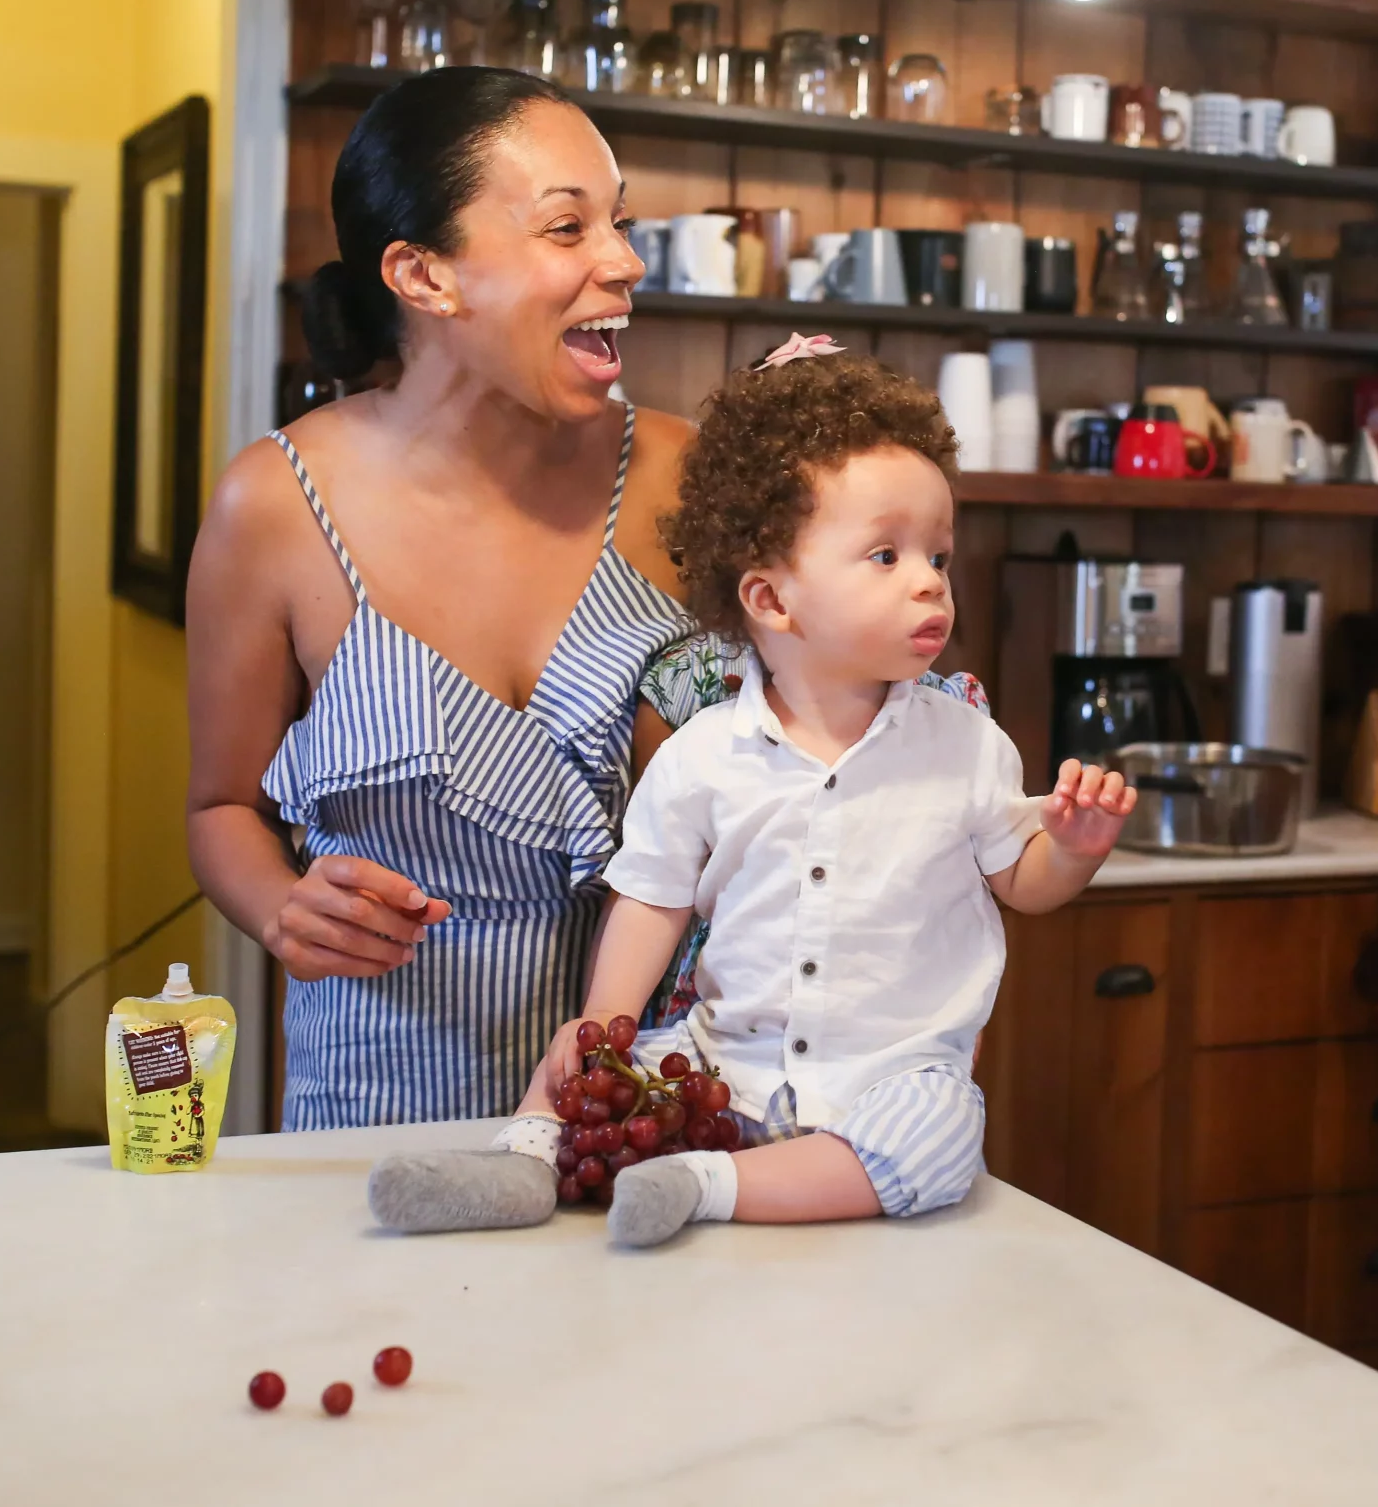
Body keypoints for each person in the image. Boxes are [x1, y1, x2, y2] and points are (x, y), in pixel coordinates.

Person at [367, 343, 1135, 1244]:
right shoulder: (704, 753)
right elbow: (651, 897)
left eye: (939, 553)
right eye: (886, 555)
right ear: (772, 599)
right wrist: (601, 1030)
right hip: (722, 1064)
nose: (930, 578)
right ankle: (527, 1159)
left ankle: (705, 1184)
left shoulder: (964, 740)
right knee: (585, 1055)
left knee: (942, 1139)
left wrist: (1074, 846)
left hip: (880, 1081)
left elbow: (1023, 881)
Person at [185, 66, 704, 1129]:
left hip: (654, 1114)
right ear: (423, 276)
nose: (624, 261)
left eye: (620, 221)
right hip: (375, 1119)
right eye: (568, 229)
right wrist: (285, 908)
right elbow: (219, 809)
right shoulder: (276, 505)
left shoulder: (686, 479)